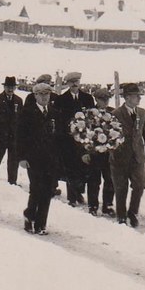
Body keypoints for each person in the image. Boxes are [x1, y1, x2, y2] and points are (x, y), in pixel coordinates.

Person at [110, 82, 145, 227]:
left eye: (139, 96)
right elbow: (110, 136)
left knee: (140, 185)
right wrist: (113, 152)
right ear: (127, 97)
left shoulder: (142, 113)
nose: (139, 98)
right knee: (121, 188)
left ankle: (133, 212)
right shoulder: (116, 114)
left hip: (137, 157)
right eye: (136, 96)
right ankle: (121, 216)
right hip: (120, 157)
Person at [16, 81, 60, 235]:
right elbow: (20, 137)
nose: (44, 97)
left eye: (47, 94)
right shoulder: (26, 113)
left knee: (47, 190)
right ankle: (29, 216)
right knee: (36, 189)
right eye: (41, 94)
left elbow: (57, 136)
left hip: (50, 159)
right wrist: (22, 157)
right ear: (35, 96)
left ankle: (41, 224)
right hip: (33, 158)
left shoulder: (54, 112)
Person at [55, 71, 95, 206]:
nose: (74, 84)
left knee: (83, 167)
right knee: (70, 167)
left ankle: (78, 192)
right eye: (71, 82)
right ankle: (72, 198)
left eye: (76, 82)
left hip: (84, 139)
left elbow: (92, 117)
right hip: (68, 140)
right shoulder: (61, 99)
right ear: (67, 84)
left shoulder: (87, 98)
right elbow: (59, 120)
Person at [82, 87, 116, 216]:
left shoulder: (113, 113)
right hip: (94, 153)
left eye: (107, 99)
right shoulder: (89, 114)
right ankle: (93, 205)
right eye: (102, 99)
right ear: (96, 99)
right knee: (94, 180)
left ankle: (107, 205)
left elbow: (117, 130)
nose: (105, 102)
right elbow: (82, 133)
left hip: (109, 153)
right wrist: (85, 152)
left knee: (110, 179)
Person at [0, 75, 23, 184]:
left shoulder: (18, 101)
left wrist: (20, 137)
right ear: (4, 87)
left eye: (12, 87)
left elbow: (21, 120)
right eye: (8, 87)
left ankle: (12, 182)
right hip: (1, 136)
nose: (10, 89)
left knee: (13, 161)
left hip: (14, 137)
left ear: (15, 88)